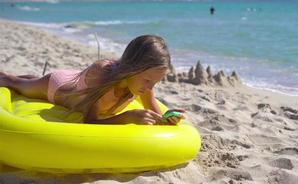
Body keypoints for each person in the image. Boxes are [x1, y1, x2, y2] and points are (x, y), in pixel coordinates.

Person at [0, 35, 184, 125]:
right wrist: (126, 117)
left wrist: (168, 118)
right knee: (14, 83)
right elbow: (90, 121)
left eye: (155, 83)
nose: (150, 87)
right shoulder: (102, 73)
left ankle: (32, 78)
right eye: (147, 80)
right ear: (133, 67)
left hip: (77, 82)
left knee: (31, 80)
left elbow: (156, 116)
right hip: (56, 87)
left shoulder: (143, 83)